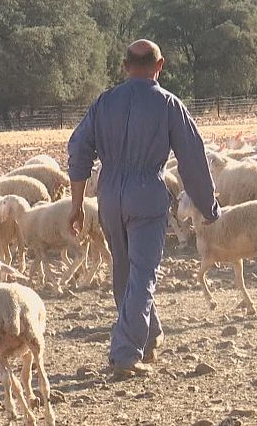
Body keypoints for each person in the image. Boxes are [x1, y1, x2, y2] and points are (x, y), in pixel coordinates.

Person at [66, 39, 220, 379]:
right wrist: (208, 207)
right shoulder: (168, 105)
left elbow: (78, 150)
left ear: (124, 66)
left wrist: (77, 205)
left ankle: (148, 337)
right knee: (143, 274)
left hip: (108, 197)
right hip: (147, 193)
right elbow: (192, 159)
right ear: (160, 65)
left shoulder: (104, 102)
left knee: (124, 270)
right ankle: (124, 353)